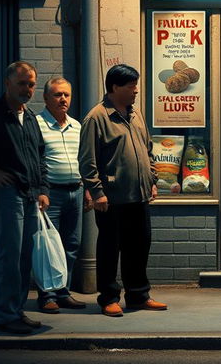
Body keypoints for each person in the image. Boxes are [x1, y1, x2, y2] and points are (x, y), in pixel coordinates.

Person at [79, 64, 166, 317]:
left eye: (135, 85)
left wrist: (151, 178)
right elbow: (87, 160)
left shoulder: (135, 114)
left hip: (138, 196)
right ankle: (108, 298)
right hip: (111, 199)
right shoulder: (97, 118)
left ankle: (138, 296)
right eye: (131, 86)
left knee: (138, 247)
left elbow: (147, 149)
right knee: (109, 249)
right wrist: (97, 192)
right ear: (115, 87)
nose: (136, 90)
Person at [0, 61, 49, 334]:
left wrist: (43, 190)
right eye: (21, 84)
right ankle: (4, 314)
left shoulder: (30, 118)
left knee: (25, 256)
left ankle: (16, 310)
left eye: (31, 84)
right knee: (9, 257)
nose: (27, 89)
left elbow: (40, 156)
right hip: (7, 195)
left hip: (30, 195)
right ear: (7, 83)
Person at [35, 78, 91, 313]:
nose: (63, 99)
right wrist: (40, 191)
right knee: (49, 246)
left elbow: (85, 161)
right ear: (46, 98)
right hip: (51, 195)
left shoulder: (77, 126)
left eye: (67, 95)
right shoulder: (36, 124)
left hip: (75, 191)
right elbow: (36, 161)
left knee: (71, 244)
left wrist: (87, 189)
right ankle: (46, 295)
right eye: (58, 95)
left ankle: (63, 292)